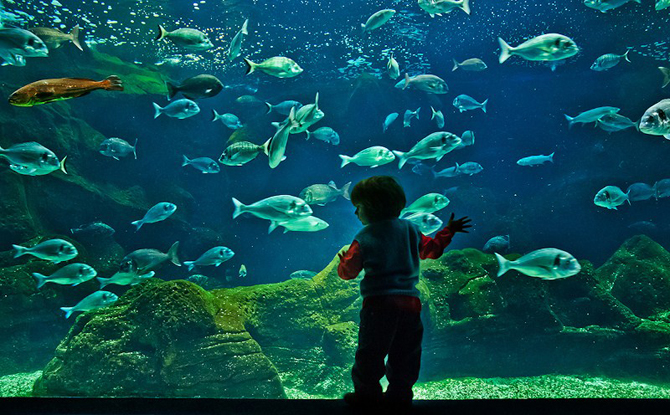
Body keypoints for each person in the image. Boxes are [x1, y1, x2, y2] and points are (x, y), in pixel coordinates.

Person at [337, 176, 471, 410]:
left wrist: (344, 262)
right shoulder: (410, 229)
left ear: (371, 208)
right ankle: (399, 396)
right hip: (409, 305)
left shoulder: (364, 237)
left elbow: (348, 273)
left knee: (371, 353)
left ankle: (367, 396)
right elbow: (431, 251)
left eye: (358, 207)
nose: (355, 213)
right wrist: (448, 231)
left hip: (378, 306)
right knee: (406, 354)